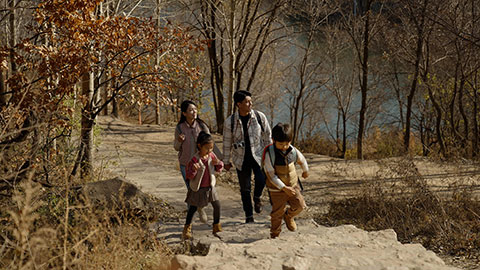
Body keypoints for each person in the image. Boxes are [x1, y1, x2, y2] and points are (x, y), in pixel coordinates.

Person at [222, 90, 272, 223]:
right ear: (239, 104)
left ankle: (257, 197)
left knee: (261, 180)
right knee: (245, 189)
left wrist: (271, 155)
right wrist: (225, 161)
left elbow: (267, 136)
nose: (250, 104)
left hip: (258, 156)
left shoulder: (259, 117)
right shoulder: (230, 122)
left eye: (250, 101)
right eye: (247, 102)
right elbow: (226, 143)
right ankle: (249, 216)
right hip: (241, 159)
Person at [174, 100, 220, 223]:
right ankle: (198, 209)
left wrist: (219, 159)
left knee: (199, 187)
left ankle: (196, 209)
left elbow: (210, 143)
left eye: (195, 109)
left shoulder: (202, 126)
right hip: (186, 163)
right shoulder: (180, 128)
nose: (194, 112)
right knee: (192, 188)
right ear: (184, 113)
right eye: (190, 110)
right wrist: (179, 140)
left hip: (201, 164)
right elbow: (176, 147)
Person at [262, 123, 309, 238]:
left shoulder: (293, 151)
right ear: (273, 140)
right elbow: (271, 175)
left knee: (300, 205)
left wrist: (305, 170)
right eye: (281, 144)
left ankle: (289, 216)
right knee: (277, 213)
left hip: (293, 186)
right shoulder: (270, 155)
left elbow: (302, 160)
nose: (284, 147)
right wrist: (283, 188)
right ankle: (275, 234)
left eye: (287, 143)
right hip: (277, 190)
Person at [182, 131, 224, 240]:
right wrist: (194, 170)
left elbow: (219, 168)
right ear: (200, 146)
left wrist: (218, 163)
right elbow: (189, 176)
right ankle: (187, 228)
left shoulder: (211, 156)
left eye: (211, 148)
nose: (209, 151)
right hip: (198, 188)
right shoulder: (195, 160)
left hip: (210, 186)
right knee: (193, 208)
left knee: (217, 205)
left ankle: (216, 225)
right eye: (207, 148)